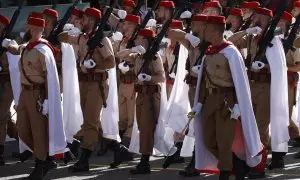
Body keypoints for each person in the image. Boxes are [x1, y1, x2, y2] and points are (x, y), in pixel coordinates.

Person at [192, 15, 262, 180]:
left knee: (224, 141)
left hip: (227, 103)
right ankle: (237, 164)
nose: (204, 31)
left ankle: (224, 173)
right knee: (207, 140)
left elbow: (240, 82)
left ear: (215, 32)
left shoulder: (231, 52)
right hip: (209, 101)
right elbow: (203, 81)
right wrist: (199, 104)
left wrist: (238, 105)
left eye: (207, 29)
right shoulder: (208, 52)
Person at [229, 7, 290, 178]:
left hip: (265, 87)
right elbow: (231, 42)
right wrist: (247, 31)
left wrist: (266, 67)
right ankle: (249, 161)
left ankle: (259, 167)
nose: (257, 19)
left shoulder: (274, 39)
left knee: (261, 127)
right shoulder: (251, 37)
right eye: (256, 16)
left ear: (268, 21)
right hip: (250, 86)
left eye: (262, 18)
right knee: (247, 124)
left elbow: (280, 67)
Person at [3, 17, 66, 179]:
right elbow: (16, 49)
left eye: (29, 26)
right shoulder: (26, 47)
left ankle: (41, 164)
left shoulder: (43, 50)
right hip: (24, 93)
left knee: (39, 131)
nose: (26, 28)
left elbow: (49, 77)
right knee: (22, 130)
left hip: (38, 94)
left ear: (35, 28)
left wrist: (46, 99)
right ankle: (46, 156)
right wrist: (7, 44)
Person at [116, 28, 165, 174]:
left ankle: (144, 163)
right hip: (141, 96)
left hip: (151, 96)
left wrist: (150, 78)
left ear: (145, 40)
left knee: (147, 129)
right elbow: (119, 55)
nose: (137, 40)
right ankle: (144, 161)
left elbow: (161, 77)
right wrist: (132, 48)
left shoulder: (155, 57)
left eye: (139, 39)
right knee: (143, 128)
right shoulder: (137, 56)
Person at [167, 14, 207, 177]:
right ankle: (197, 161)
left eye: (195, 24)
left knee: (201, 124)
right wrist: (188, 35)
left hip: (204, 88)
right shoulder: (192, 41)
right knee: (196, 122)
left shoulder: (210, 43)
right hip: (192, 88)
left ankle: (198, 162)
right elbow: (171, 33)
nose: (192, 26)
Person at [0, 15, 18, 166]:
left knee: (0, 116)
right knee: (5, 116)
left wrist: (7, 46)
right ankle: (23, 138)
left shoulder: (9, 42)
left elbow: (18, 52)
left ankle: (0, 152)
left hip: (6, 84)